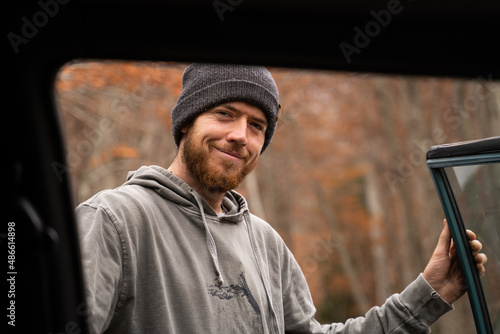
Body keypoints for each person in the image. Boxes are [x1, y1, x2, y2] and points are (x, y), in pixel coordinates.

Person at [76, 63, 487, 334]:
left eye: (257, 125)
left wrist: (430, 292)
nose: (241, 135)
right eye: (224, 113)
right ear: (186, 122)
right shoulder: (114, 219)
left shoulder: (264, 241)